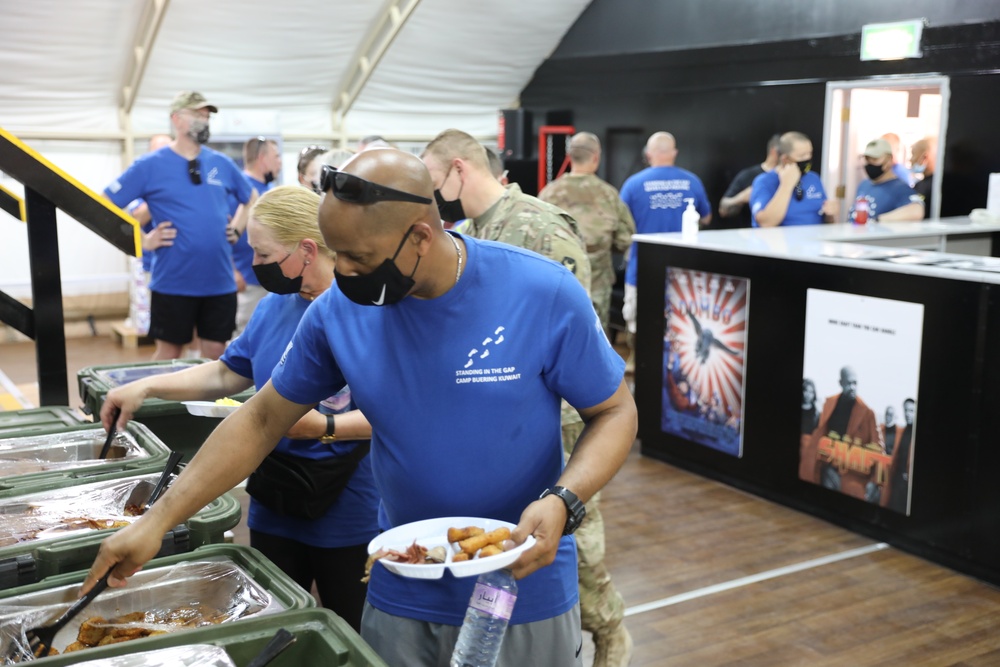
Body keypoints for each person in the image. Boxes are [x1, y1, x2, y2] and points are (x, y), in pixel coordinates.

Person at [83, 149, 637, 667]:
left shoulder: (539, 291)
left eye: (358, 257)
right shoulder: (338, 312)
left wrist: (567, 498)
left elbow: (614, 412)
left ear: (421, 234)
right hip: (401, 581)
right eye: (335, 252)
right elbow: (259, 419)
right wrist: (156, 523)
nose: (342, 271)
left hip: (522, 583)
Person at [98, 186, 378, 631]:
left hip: (348, 508)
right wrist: (146, 386)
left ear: (307, 250)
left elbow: (394, 415)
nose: (255, 265)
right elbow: (226, 374)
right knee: (271, 623)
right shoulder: (274, 308)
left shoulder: (367, 313)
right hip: (275, 501)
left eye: (264, 254)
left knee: (349, 625)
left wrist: (325, 427)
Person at [424, 130, 631, 667]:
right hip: (499, 414)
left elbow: (575, 333)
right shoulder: (472, 230)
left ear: (459, 169)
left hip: (556, 413)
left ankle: (607, 632)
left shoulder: (539, 226)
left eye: (431, 182)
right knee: (511, 535)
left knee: (572, 537)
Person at [103, 91, 256, 361]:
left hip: (219, 282)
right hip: (174, 282)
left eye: (206, 116)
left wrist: (238, 227)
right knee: (169, 354)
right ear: (177, 119)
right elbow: (105, 204)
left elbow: (250, 197)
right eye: (197, 115)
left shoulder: (219, 164)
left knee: (216, 355)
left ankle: (209, 404)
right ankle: (163, 403)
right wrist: (142, 240)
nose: (204, 121)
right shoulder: (150, 166)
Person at [620, 131, 711, 373]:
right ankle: (678, 365)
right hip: (684, 266)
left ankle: (637, 361)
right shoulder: (692, 181)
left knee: (638, 318)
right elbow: (708, 216)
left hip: (642, 266)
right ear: (674, 153)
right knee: (683, 318)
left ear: (648, 154)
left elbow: (621, 223)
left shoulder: (633, 184)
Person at [539, 132, 636, 336]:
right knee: (596, 335)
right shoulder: (608, 194)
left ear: (570, 156)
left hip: (557, 280)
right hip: (597, 280)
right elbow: (625, 239)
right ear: (595, 157)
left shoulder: (549, 193)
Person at [800, 367, 884, 502]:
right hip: (828, 470)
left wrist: (876, 482)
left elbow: (879, 449)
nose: (853, 387)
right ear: (841, 383)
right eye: (849, 383)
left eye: (855, 383)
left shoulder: (868, 413)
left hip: (853, 476)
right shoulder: (829, 405)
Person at [231, 137, 283, 336]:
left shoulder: (267, 191)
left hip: (269, 280)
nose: (279, 162)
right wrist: (233, 271)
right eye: (276, 156)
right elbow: (224, 233)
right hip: (248, 281)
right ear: (262, 158)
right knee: (247, 336)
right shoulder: (240, 191)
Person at [750, 131, 838, 228]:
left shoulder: (813, 178)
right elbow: (765, 223)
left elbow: (827, 221)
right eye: (802, 156)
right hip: (781, 242)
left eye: (810, 153)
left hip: (814, 240)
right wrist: (786, 185)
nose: (808, 158)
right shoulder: (764, 181)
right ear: (785, 159)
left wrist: (830, 215)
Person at [849, 138, 924, 223]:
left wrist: (878, 220)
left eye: (874, 159)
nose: (869, 164)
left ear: (888, 160)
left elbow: (917, 211)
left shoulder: (900, 188)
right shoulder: (864, 184)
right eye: (867, 159)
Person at [718, 134, 781, 229]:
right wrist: (741, 198)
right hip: (753, 236)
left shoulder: (796, 177)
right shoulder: (748, 176)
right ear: (774, 151)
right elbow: (723, 210)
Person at [885, 398, 915, 513]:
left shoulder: (915, 432)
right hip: (897, 480)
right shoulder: (900, 431)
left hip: (908, 484)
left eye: (911, 411)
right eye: (906, 410)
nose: (908, 414)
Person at [910, 137, 937, 219]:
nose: (910, 160)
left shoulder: (936, 185)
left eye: (913, 154)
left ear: (925, 157)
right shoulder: (919, 185)